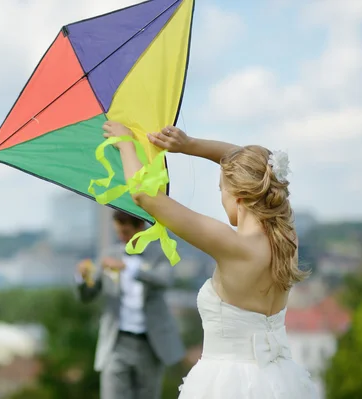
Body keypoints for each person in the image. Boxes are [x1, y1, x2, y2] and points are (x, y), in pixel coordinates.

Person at [101, 121, 319, 398]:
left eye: (221, 189)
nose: (220, 197)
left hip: (228, 385)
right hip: (280, 381)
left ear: (238, 194)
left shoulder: (234, 245)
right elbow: (253, 164)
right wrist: (188, 145)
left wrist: (125, 143)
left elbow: (144, 195)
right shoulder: (288, 238)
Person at [74, 210, 186, 399]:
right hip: (116, 342)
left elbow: (165, 280)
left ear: (140, 228)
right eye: (119, 233)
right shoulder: (109, 254)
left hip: (150, 344)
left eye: (125, 232)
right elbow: (87, 296)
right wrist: (82, 278)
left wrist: (129, 268)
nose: (122, 237)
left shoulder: (157, 253)